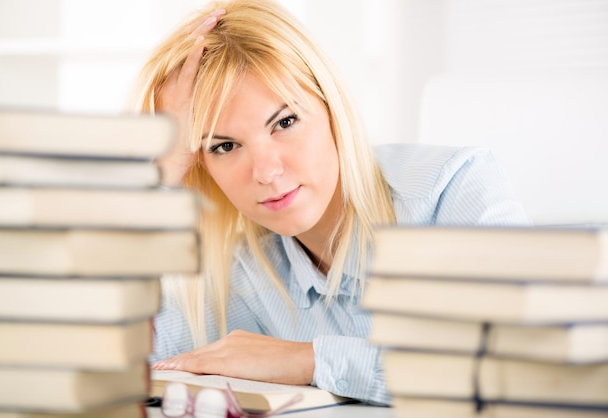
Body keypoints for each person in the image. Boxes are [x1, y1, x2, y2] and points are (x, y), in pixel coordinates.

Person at [133, 0, 531, 406]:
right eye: (225, 145)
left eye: (285, 122)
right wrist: (162, 171)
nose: (266, 171)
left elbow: (529, 367)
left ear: (330, 105)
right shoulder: (246, 270)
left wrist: (307, 360)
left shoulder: (449, 190)